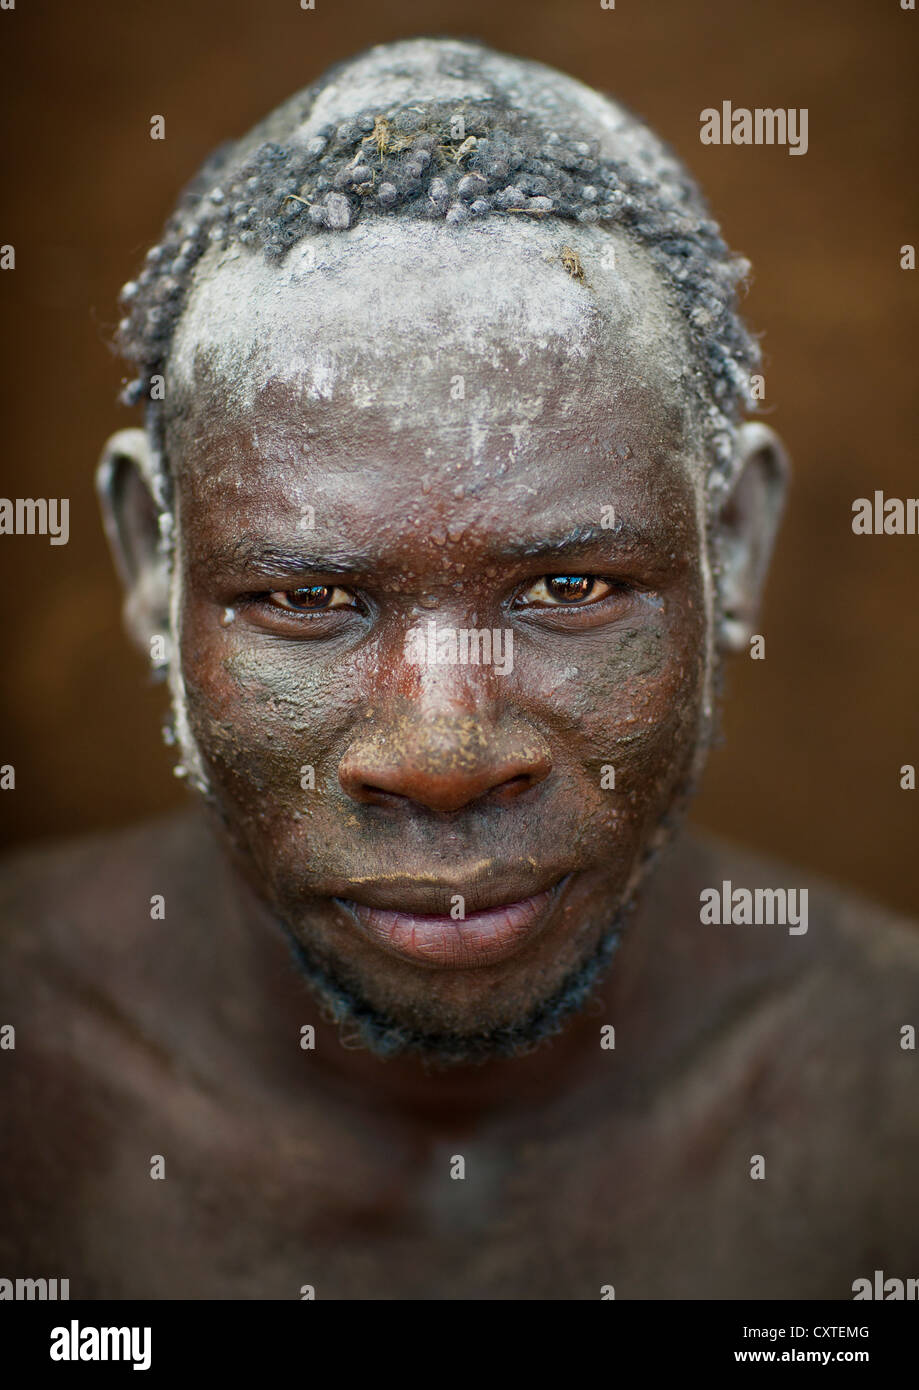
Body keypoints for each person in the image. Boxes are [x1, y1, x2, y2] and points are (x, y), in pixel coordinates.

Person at [1, 37, 917, 1300]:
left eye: (568, 589)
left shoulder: (890, 1103)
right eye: (309, 599)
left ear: (735, 542)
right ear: (151, 559)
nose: (442, 756)